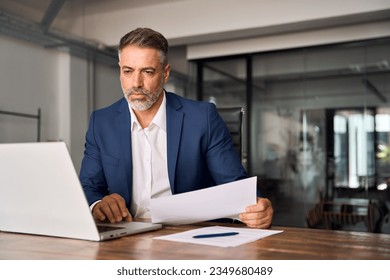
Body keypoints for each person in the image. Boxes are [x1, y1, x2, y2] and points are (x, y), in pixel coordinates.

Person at [79, 27, 273, 229]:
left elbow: (234, 185)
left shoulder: (202, 118)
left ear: (165, 73)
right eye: (128, 71)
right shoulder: (101, 122)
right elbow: (89, 187)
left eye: (148, 72)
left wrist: (258, 208)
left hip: (189, 235)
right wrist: (98, 204)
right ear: (120, 70)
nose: (136, 83)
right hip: (126, 233)